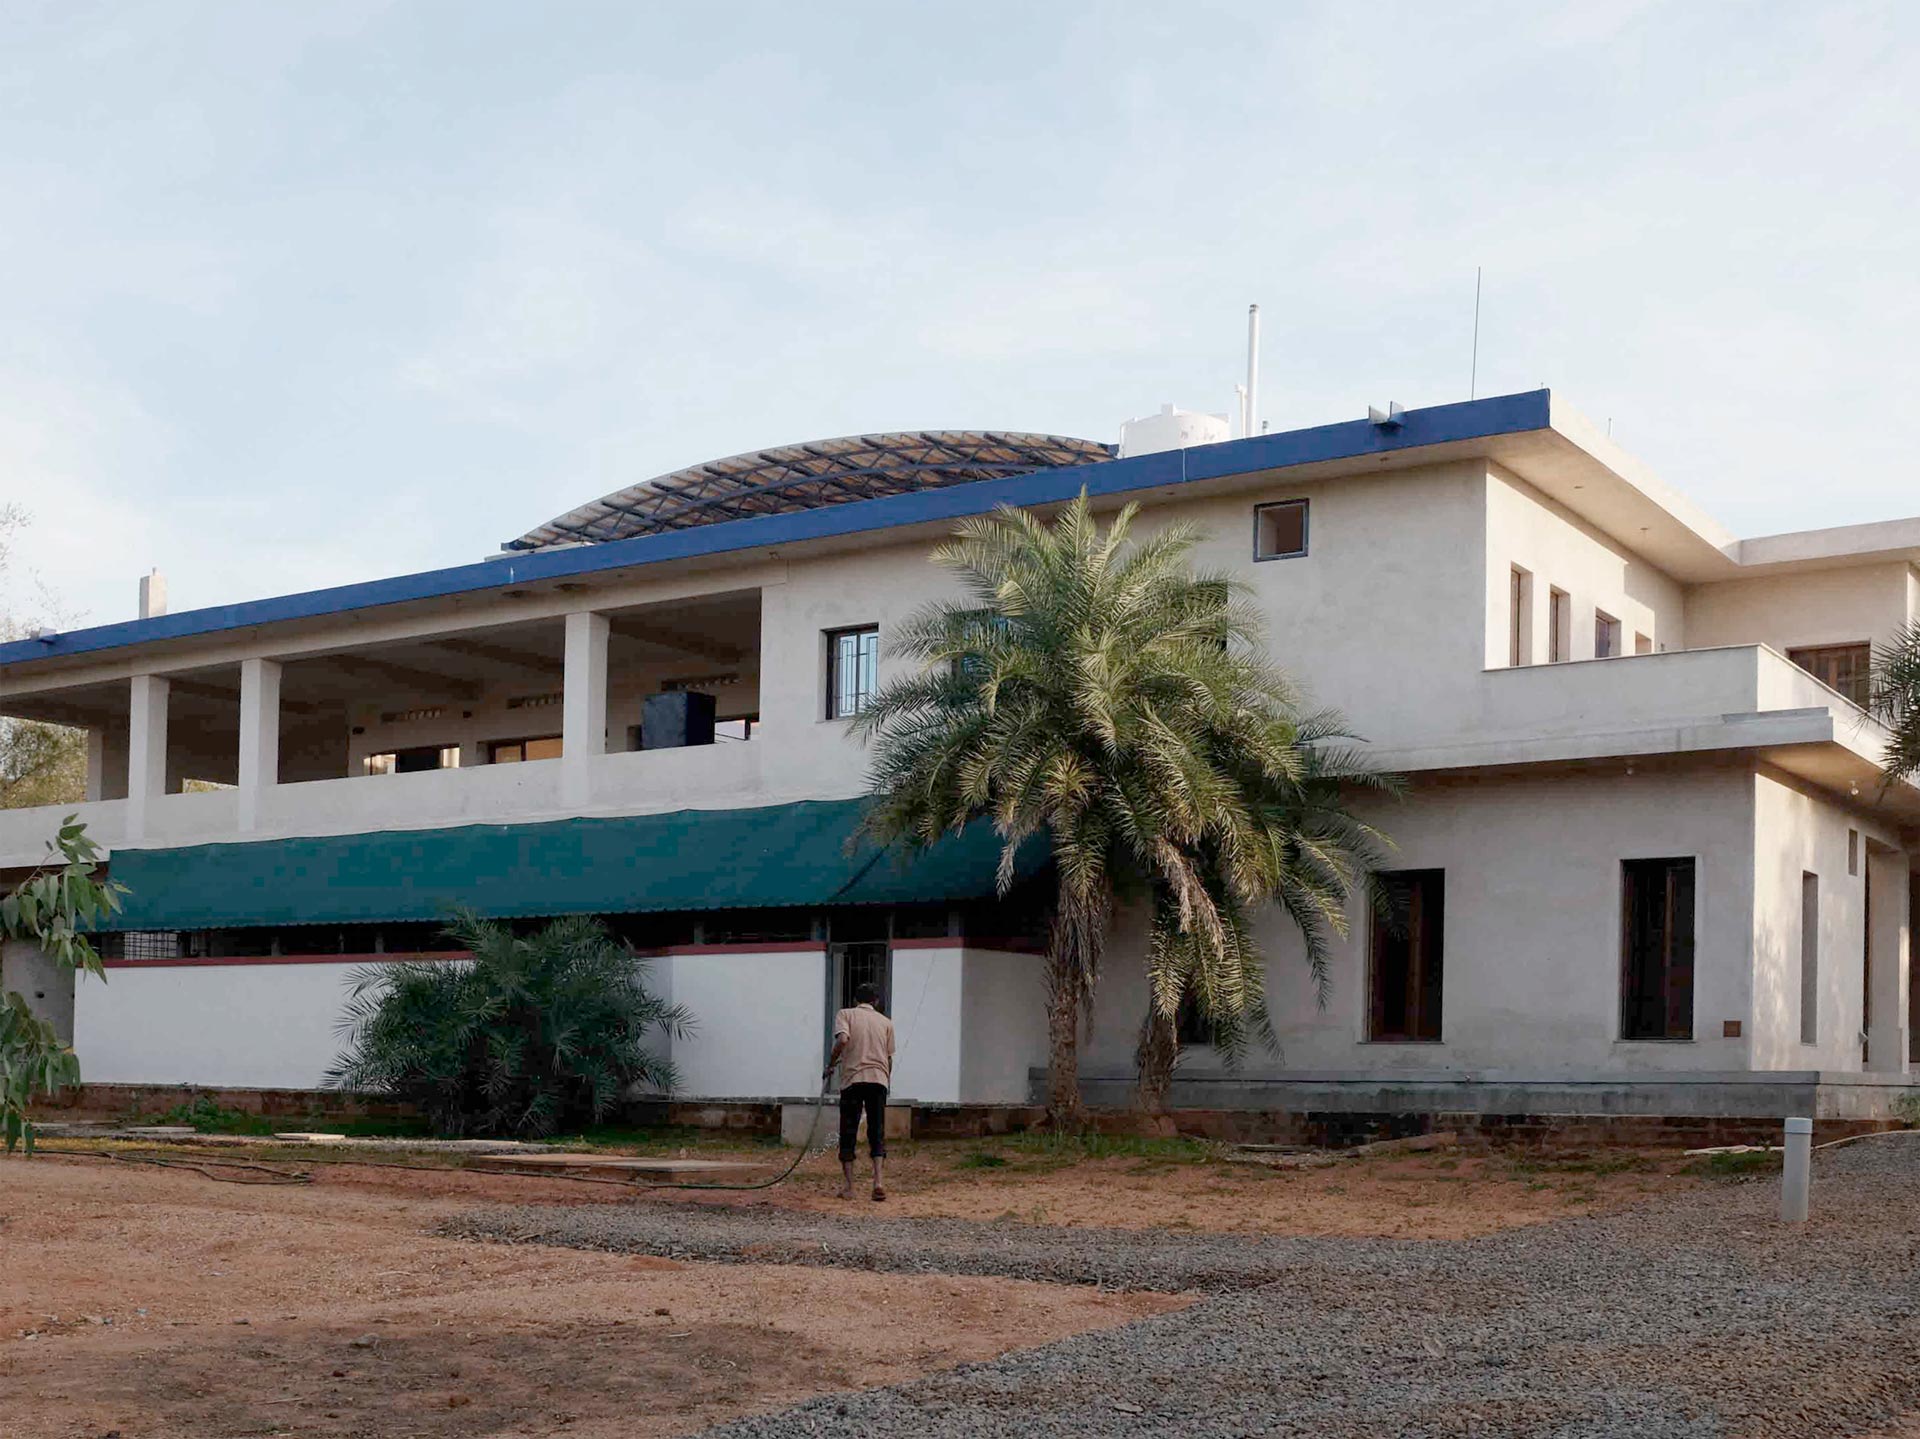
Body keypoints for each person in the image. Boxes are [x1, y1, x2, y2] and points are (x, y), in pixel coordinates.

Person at [826, 981, 895, 1201]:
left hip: (853, 1079)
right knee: (877, 1131)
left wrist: (831, 1063)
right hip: (879, 1079)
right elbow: (889, 1057)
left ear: (856, 1000)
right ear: (876, 1001)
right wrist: (885, 1079)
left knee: (848, 1131)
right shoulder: (886, 1022)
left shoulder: (845, 1014)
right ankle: (878, 1182)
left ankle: (849, 1187)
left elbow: (843, 1040)